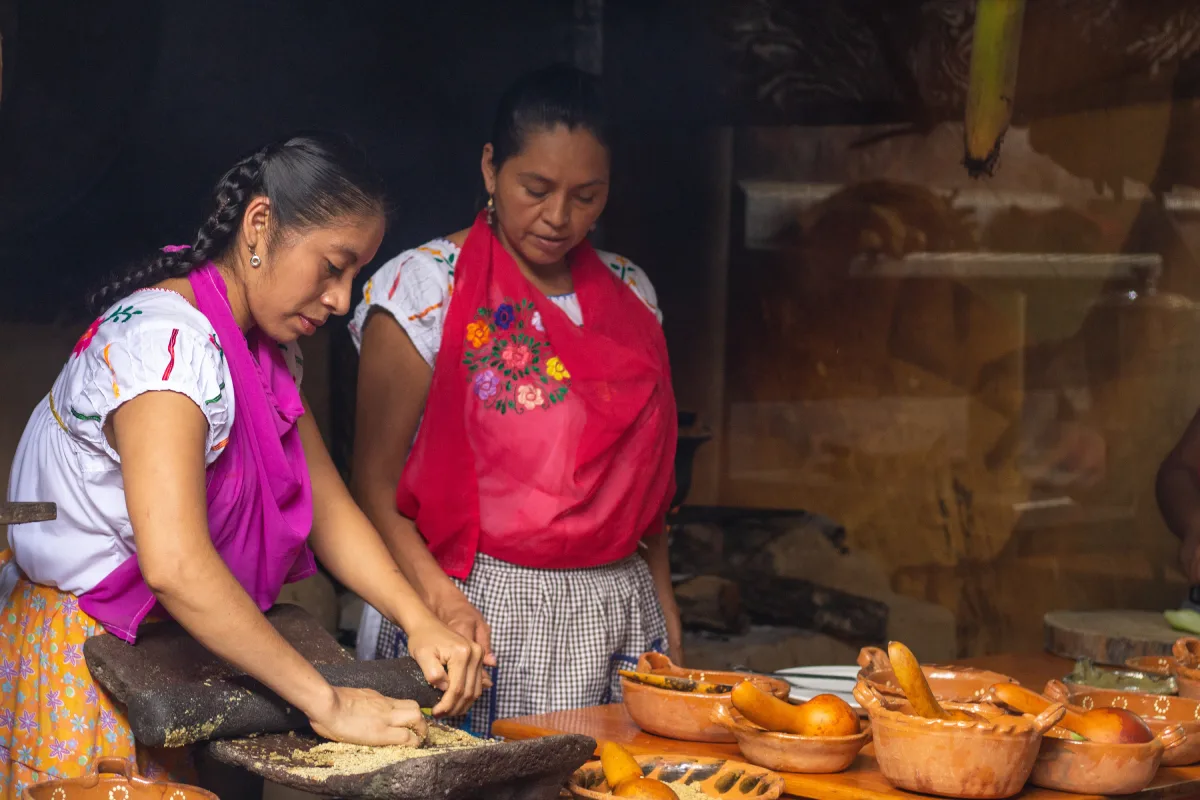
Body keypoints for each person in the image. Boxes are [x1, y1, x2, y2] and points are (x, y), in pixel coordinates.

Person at [2, 133, 486, 798]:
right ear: (260, 225)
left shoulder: (264, 350)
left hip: (172, 658)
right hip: (91, 663)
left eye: (352, 278)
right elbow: (176, 567)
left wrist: (418, 617)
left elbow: (329, 508)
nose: (341, 300)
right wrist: (330, 702)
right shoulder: (164, 352)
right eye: (331, 268)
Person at [348, 64, 681, 736]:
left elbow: (648, 499)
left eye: (587, 196)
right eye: (537, 189)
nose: (559, 217)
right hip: (471, 611)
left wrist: (667, 616)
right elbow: (372, 485)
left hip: (615, 608)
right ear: (489, 168)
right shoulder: (422, 291)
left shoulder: (631, 295)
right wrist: (440, 603)